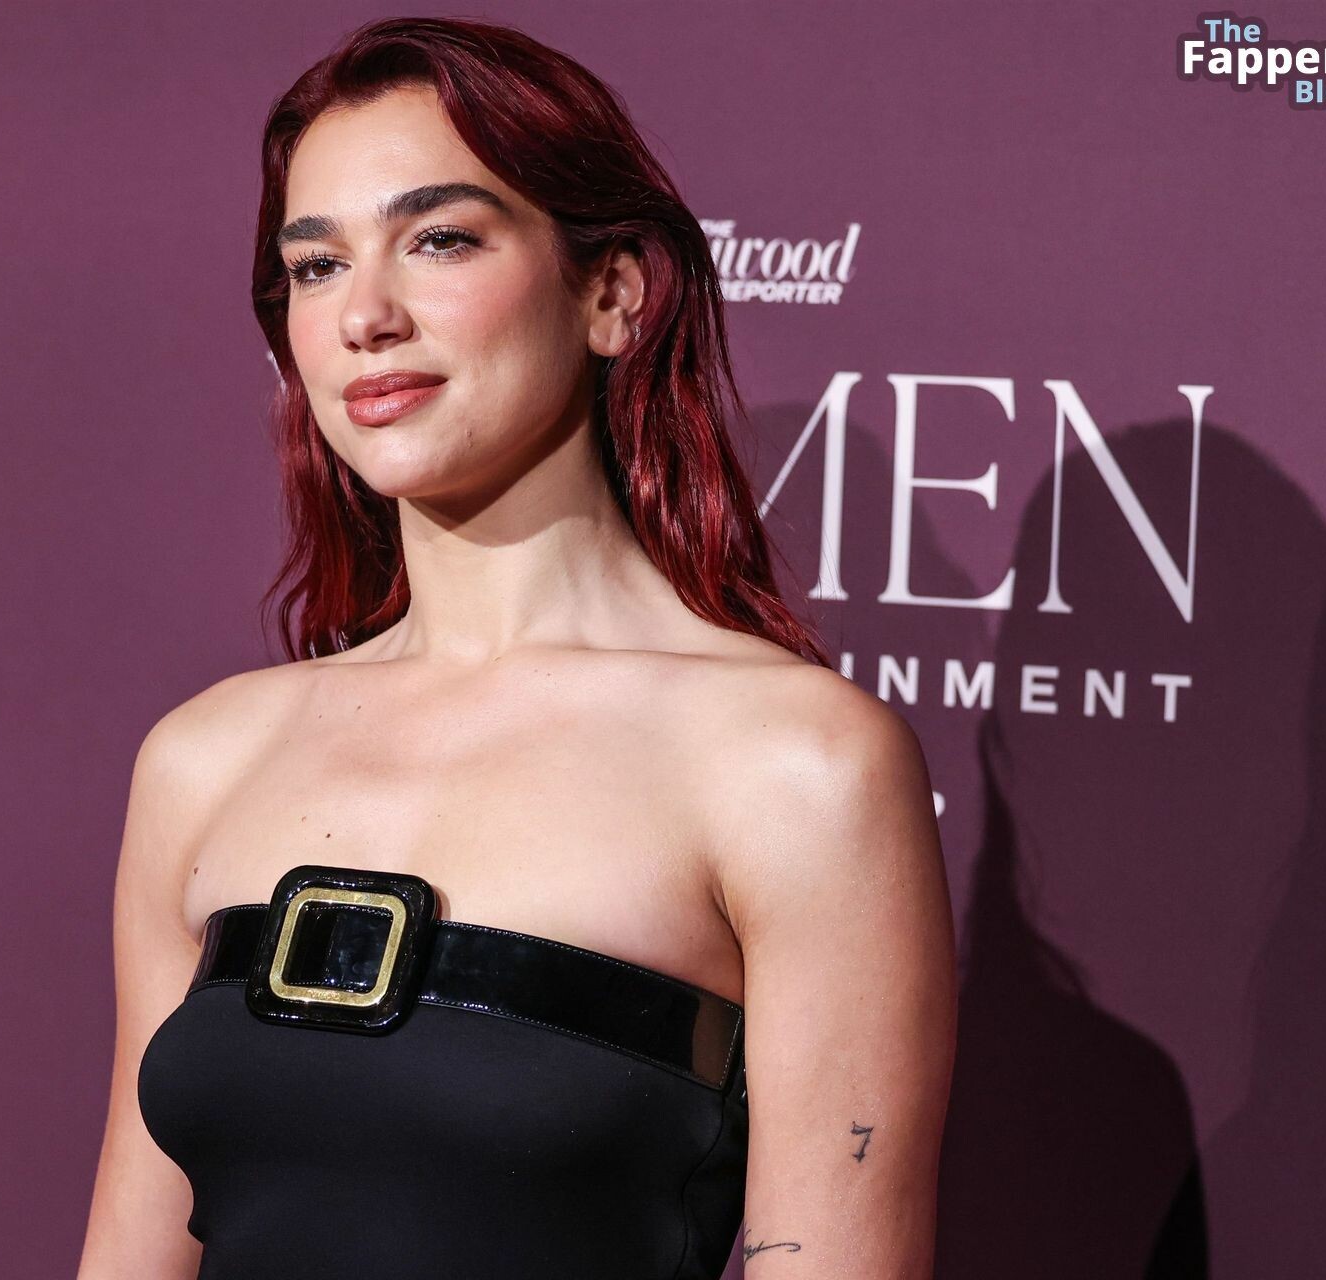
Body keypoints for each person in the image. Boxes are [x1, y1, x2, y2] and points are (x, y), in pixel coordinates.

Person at [77, 16, 956, 1280]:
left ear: (612, 292)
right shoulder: (206, 756)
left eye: (439, 239)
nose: (365, 315)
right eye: (316, 265)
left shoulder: (797, 764)